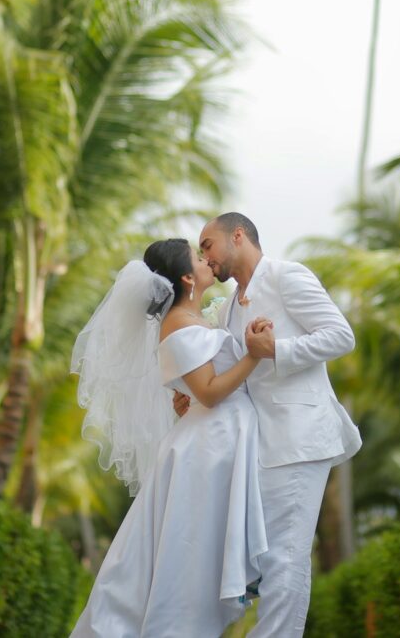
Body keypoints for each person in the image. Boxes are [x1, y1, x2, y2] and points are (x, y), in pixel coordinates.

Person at [69, 238, 274, 638]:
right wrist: (252, 354)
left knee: (189, 558)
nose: (206, 260)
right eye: (199, 257)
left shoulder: (193, 319)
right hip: (206, 450)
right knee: (187, 562)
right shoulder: (178, 321)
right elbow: (211, 391)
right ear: (186, 276)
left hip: (214, 441)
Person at [192, 212, 362, 638]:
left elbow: (341, 335)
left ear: (237, 236)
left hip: (302, 437)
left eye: (207, 245)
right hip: (262, 447)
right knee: (269, 561)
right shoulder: (230, 307)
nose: (204, 257)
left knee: (286, 557)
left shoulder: (288, 276)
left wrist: (277, 349)